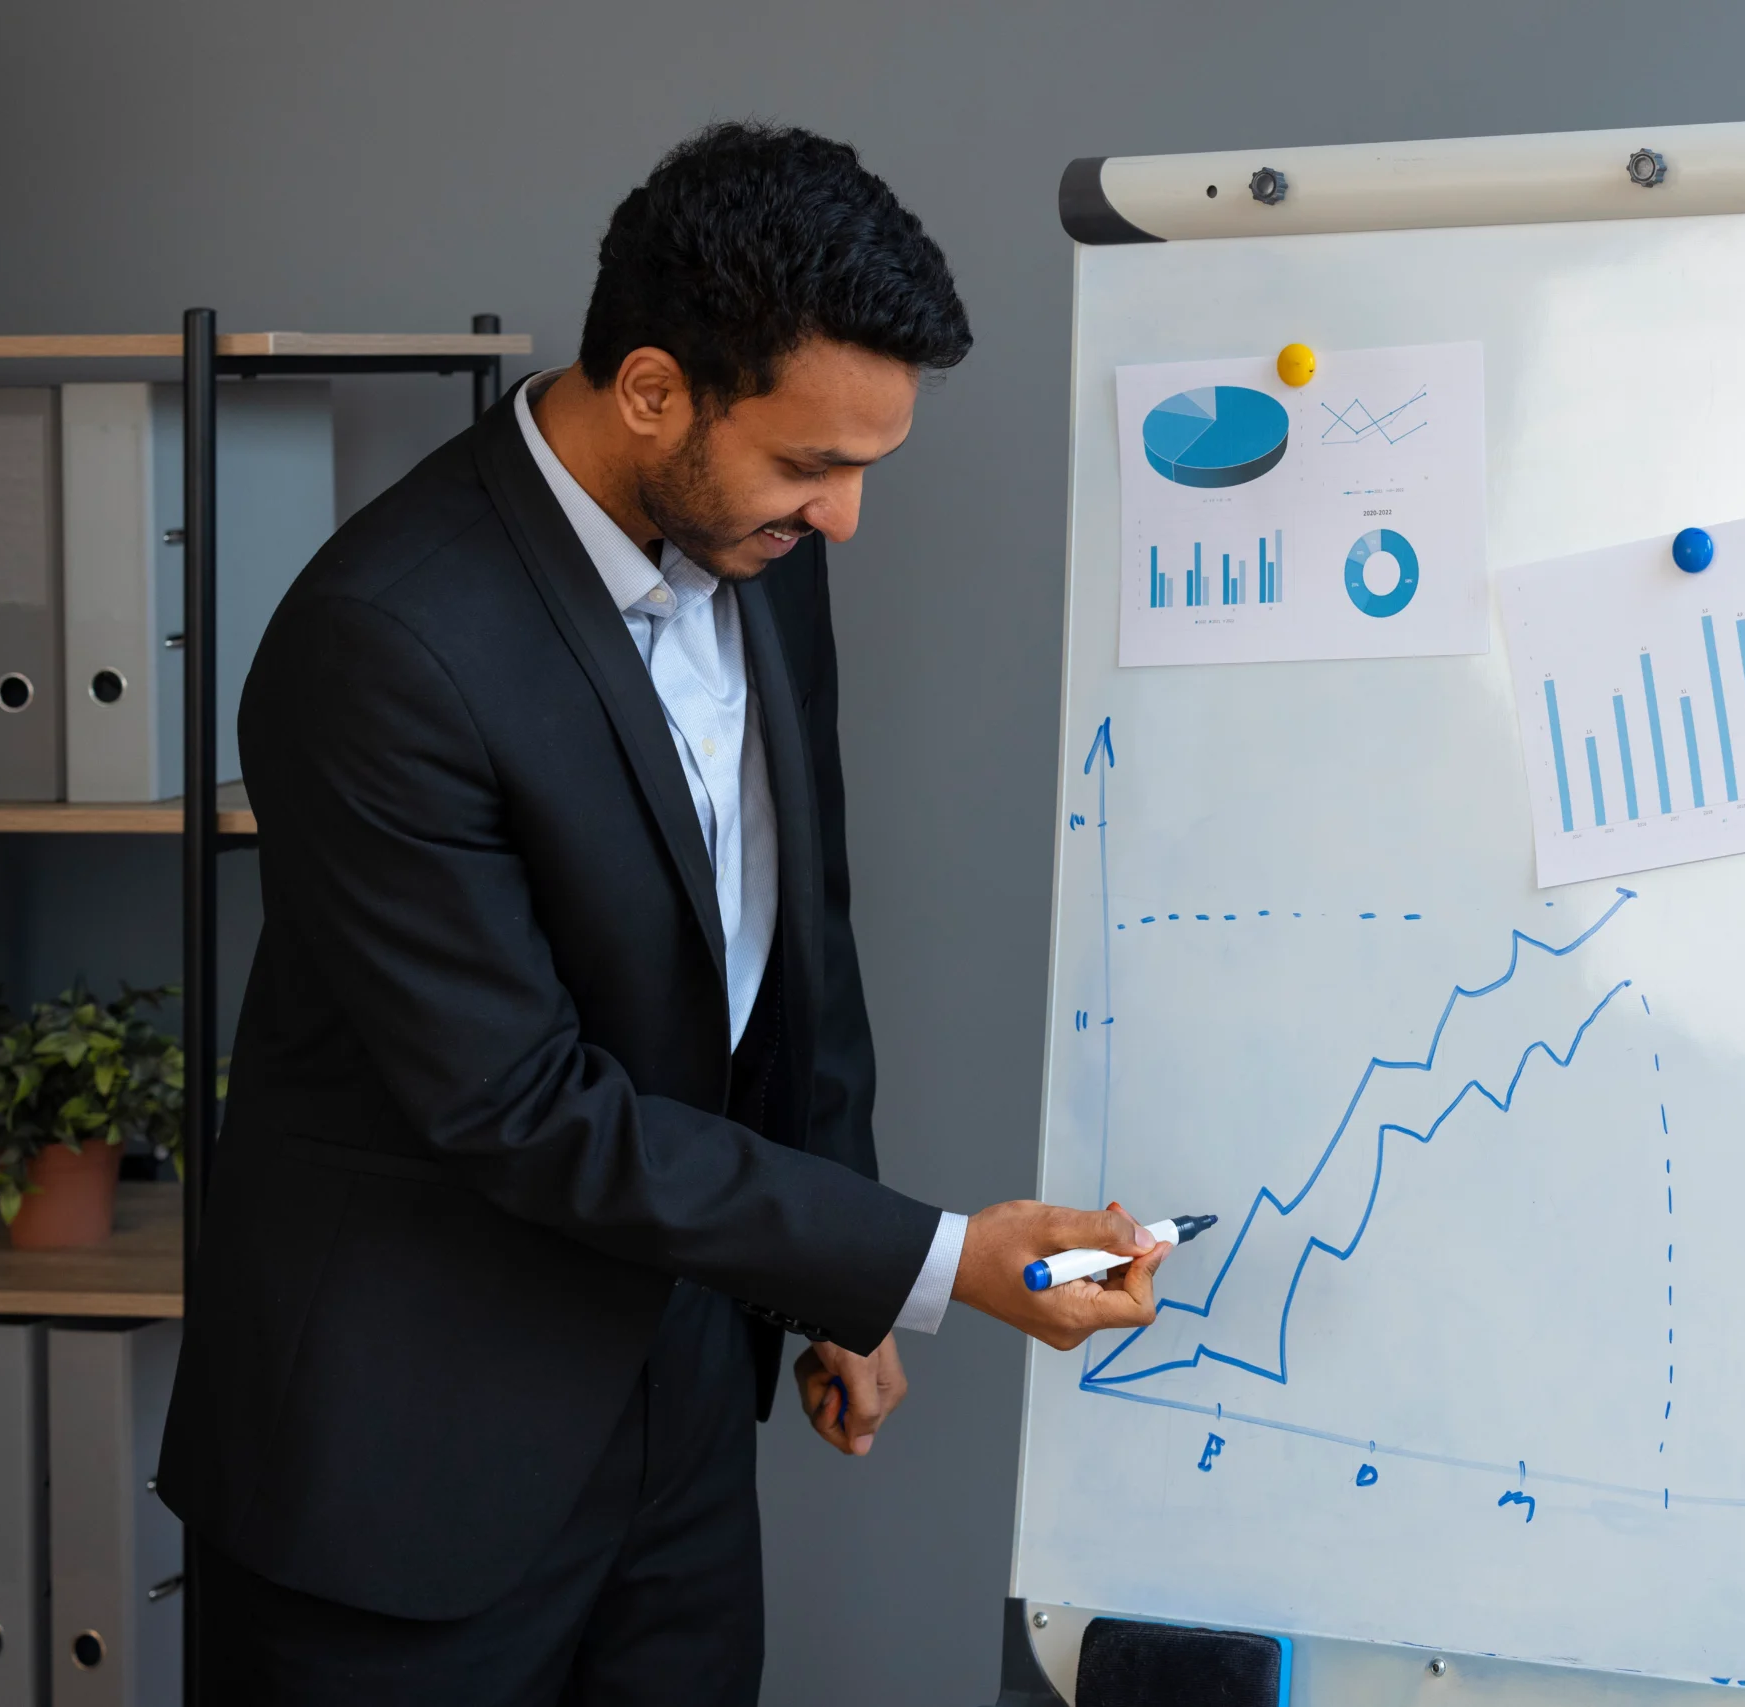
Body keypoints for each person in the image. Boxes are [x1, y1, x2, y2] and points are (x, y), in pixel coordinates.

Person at [156, 121, 1162, 1704]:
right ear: (649, 391)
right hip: (407, 1462)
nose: (843, 520)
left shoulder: (760, 542)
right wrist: (934, 1257)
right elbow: (521, 1104)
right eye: (813, 464)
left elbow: (798, 921)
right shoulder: (380, 644)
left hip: (679, 1413)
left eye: (864, 467)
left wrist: (837, 1275)